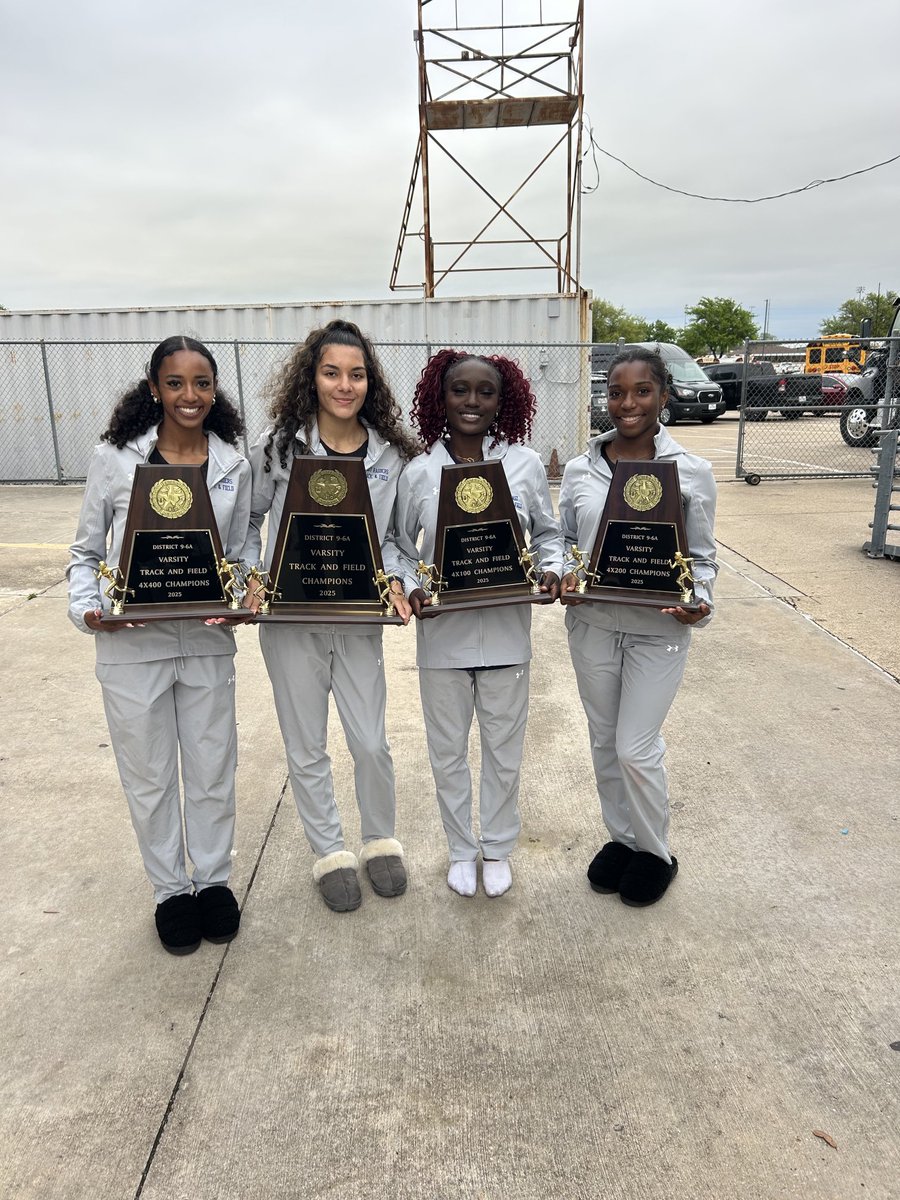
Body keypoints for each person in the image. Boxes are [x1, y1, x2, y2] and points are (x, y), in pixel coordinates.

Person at [67, 335, 252, 955]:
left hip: (205, 643)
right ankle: (171, 891)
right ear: (154, 389)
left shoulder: (234, 465)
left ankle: (213, 882)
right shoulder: (115, 460)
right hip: (132, 647)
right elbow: (86, 554)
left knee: (211, 768)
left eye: (202, 383)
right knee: (148, 777)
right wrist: (88, 609)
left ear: (215, 390)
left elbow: (244, 551)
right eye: (175, 383)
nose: (190, 395)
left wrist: (245, 592)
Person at [246, 320, 419, 913]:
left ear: (370, 381)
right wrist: (251, 577)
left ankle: (379, 839)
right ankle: (329, 850)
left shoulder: (391, 453)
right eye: (331, 373)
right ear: (310, 378)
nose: (345, 385)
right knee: (306, 741)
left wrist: (399, 578)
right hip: (289, 618)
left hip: (358, 616)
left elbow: (396, 537)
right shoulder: (278, 447)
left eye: (357, 374)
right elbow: (248, 522)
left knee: (370, 740)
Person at [392, 350, 563, 898]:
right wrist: (412, 583)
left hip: (509, 633)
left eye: (485, 392)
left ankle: (497, 848)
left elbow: (549, 536)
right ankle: (461, 849)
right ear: (439, 399)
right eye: (460, 390)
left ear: (502, 400)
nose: (472, 401)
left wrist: (552, 571)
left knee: (503, 751)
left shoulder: (525, 465)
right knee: (447, 751)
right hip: (442, 634)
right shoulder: (418, 472)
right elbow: (396, 545)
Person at [559, 347, 718, 907]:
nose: (628, 403)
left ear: (663, 396)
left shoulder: (692, 472)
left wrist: (700, 600)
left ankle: (656, 852)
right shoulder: (581, 470)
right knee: (605, 742)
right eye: (617, 392)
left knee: (635, 746)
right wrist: (561, 576)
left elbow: (702, 557)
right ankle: (622, 839)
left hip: (658, 631)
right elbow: (563, 542)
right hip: (593, 626)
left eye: (641, 391)